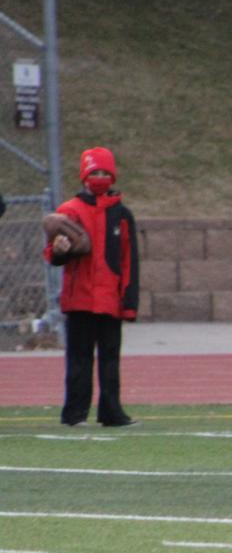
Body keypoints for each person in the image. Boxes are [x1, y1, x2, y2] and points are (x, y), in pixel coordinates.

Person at [43, 147, 139, 427]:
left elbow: (129, 260)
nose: (99, 178)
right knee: (79, 360)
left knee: (110, 359)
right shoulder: (70, 211)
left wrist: (129, 302)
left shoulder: (121, 214)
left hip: (109, 299)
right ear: (84, 177)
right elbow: (53, 255)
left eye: (104, 173)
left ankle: (112, 412)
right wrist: (62, 250)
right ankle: (74, 414)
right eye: (94, 173)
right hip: (80, 299)